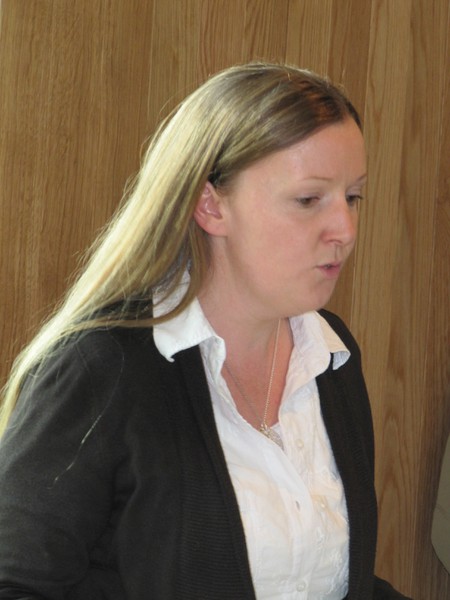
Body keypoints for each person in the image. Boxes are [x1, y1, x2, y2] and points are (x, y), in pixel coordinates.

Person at [0, 62, 411, 599]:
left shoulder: (331, 354)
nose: (345, 230)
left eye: (352, 197)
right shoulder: (100, 369)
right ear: (210, 204)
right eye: (309, 200)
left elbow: (326, 582)